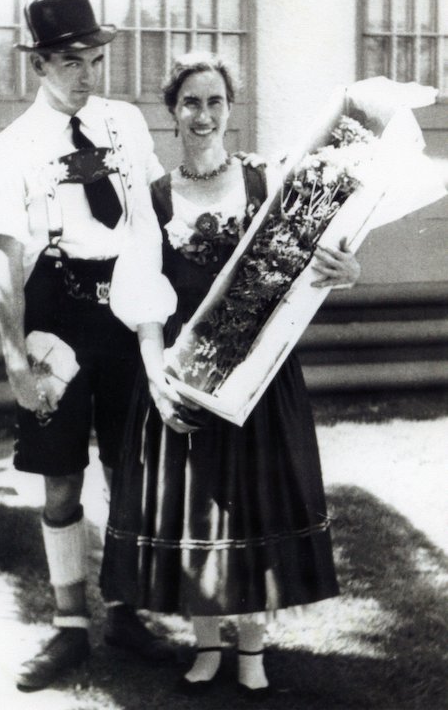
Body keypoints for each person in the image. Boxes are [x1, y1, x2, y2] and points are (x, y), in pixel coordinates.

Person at [101, 52, 361, 698]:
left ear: (229, 109)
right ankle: (206, 644)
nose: (203, 115)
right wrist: (157, 380)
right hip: (186, 376)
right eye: (190, 102)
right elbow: (141, 303)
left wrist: (341, 267)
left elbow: (322, 254)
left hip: (259, 379)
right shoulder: (152, 198)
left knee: (252, 510)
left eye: (215, 102)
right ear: (172, 111)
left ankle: (252, 648)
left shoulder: (264, 181)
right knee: (197, 514)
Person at [0, 0, 178, 692]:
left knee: (129, 468)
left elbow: (160, 211)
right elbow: (6, 262)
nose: (86, 73)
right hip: (54, 313)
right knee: (61, 474)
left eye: (95, 58)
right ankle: (69, 629)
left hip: (124, 306)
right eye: (69, 60)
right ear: (38, 64)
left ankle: (124, 612)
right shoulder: (13, 147)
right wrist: (11, 358)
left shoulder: (124, 124)